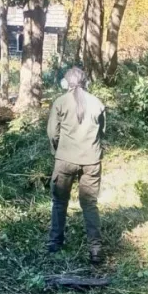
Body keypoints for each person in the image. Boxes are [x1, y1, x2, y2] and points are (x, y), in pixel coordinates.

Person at [46, 67, 106, 264]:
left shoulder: (60, 102)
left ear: (66, 82)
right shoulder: (97, 103)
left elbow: (52, 134)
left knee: (59, 202)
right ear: (86, 81)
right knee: (90, 204)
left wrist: (58, 151)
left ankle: (55, 243)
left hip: (65, 159)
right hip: (91, 161)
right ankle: (95, 249)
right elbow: (102, 133)